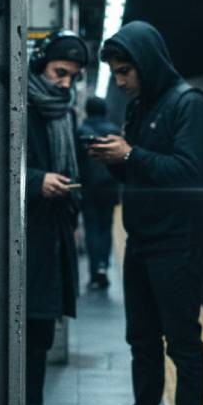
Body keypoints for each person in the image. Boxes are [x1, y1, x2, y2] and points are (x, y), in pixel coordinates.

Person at [89, 21, 203, 405]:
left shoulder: (190, 105)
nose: (120, 82)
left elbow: (188, 173)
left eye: (126, 72)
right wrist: (116, 160)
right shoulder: (141, 106)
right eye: (117, 73)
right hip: (143, 241)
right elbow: (144, 172)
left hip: (179, 244)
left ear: (147, 63)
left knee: (182, 343)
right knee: (141, 340)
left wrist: (130, 156)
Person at [25, 30, 87, 405]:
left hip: (52, 237)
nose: (65, 84)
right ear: (40, 65)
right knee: (24, 336)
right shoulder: (20, 104)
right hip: (25, 242)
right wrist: (35, 181)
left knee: (41, 335)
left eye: (72, 77)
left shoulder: (64, 112)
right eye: (59, 73)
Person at [77, 96, 120, 289]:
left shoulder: (81, 132)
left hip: (88, 189)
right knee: (106, 228)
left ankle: (95, 273)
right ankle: (103, 266)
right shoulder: (114, 131)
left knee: (92, 229)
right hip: (109, 187)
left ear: (87, 110)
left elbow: (76, 164)